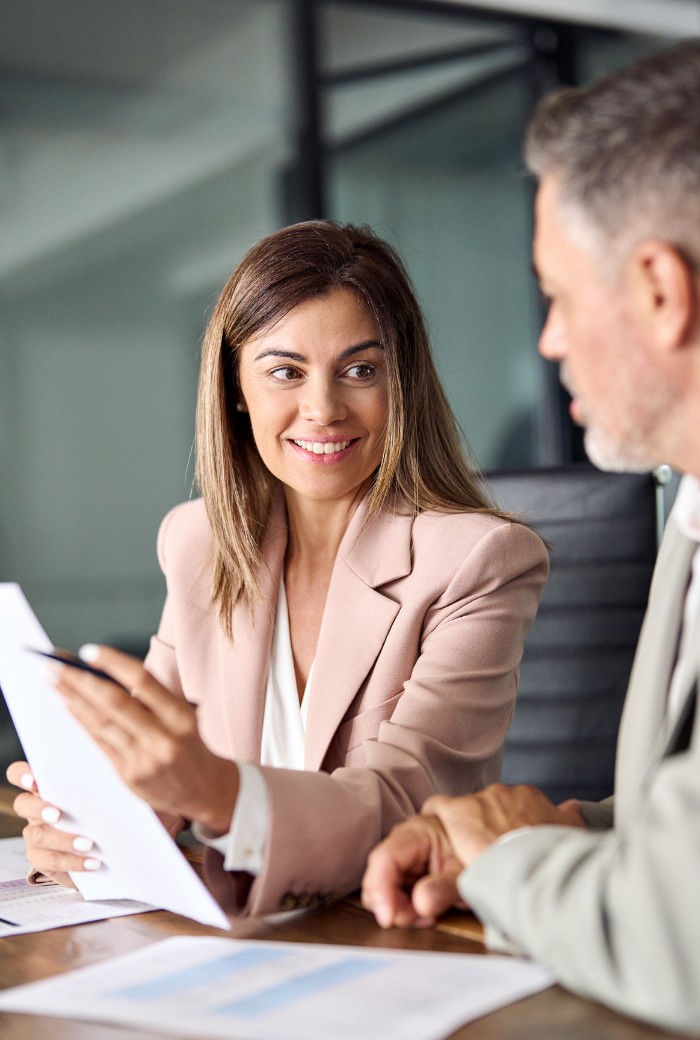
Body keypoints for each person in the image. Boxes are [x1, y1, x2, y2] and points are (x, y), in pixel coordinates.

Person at [7, 221, 548, 918]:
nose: (322, 409)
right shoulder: (197, 541)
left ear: (400, 382)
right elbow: (160, 772)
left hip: (390, 932)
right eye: (285, 371)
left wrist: (215, 796)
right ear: (237, 388)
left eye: (360, 370)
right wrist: (93, 822)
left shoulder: (477, 560)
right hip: (233, 934)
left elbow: (404, 801)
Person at [361, 40, 700, 1035]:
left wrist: (511, 856)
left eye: (556, 293)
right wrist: (532, 832)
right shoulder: (687, 508)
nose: (546, 340)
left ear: (657, 291)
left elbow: (679, 933)